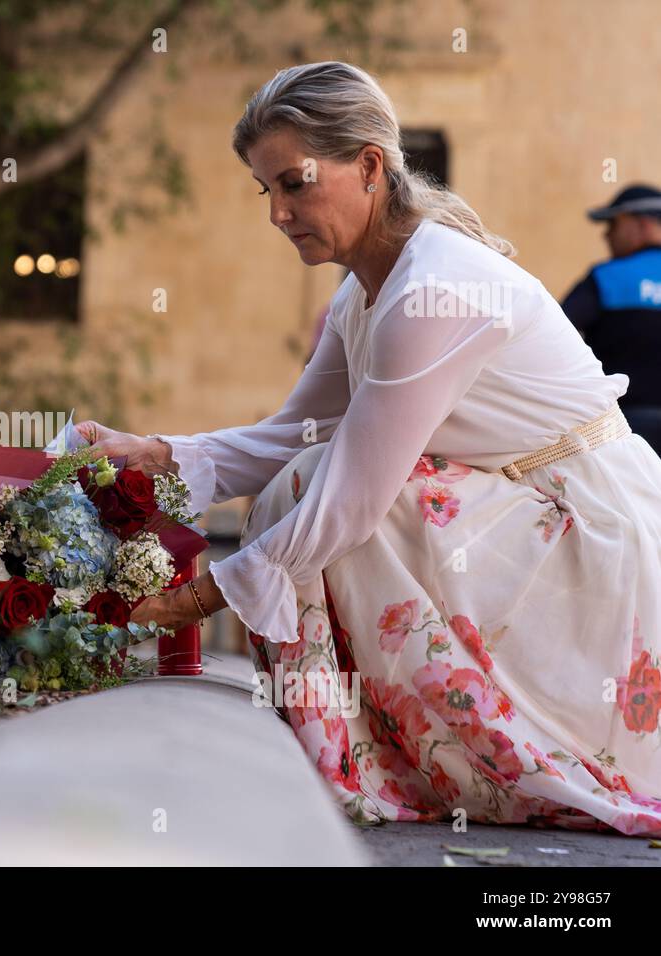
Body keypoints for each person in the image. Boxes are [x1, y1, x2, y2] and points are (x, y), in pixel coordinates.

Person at [75, 62, 661, 837]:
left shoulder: (436, 288)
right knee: (304, 476)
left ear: (370, 167)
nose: (279, 214)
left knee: (318, 492)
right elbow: (294, 429)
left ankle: (416, 763)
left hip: (593, 538)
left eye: (295, 184)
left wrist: (189, 600)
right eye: (267, 191)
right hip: (523, 511)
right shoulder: (366, 284)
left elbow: (350, 495)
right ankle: (388, 752)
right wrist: (151, 453)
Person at [561, 184, 661, 450]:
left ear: (643, 225)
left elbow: (555, 332)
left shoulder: (607, 277)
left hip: (623, 428)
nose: (607, 235)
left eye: (614, 225)